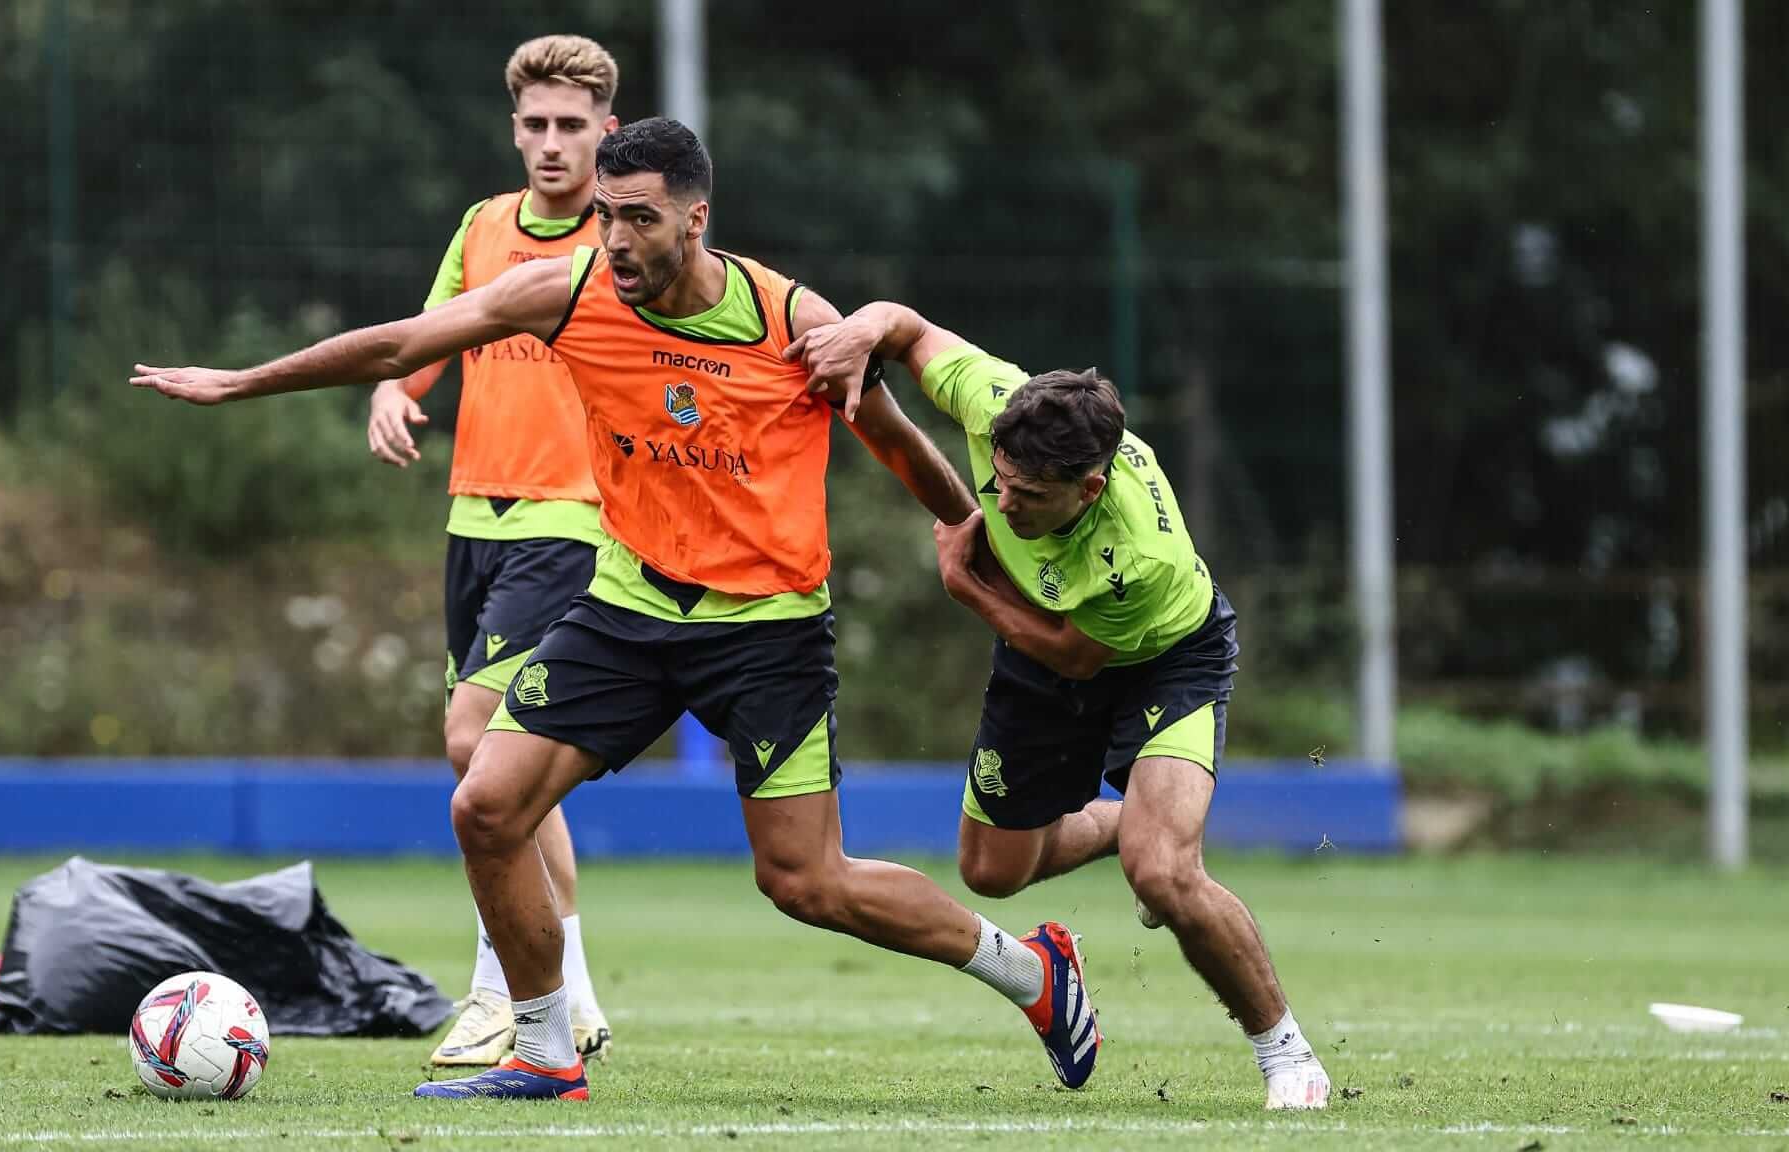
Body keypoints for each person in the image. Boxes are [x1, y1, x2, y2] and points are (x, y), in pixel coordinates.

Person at [132, 118, 1104, 1103]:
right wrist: (244, 382)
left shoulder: (789, 320)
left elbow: (892, 440)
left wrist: (969, 536)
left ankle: (1028, 972)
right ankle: (545, 1050)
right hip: (627, 611)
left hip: (766, 633)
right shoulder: (567, 292)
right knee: (487, 806)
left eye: (638, 218)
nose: (617, 240)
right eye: (604, 216)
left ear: (696, 217)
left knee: (804, 883)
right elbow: (403, 342)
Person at [791, 302, 1335, 1110]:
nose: (1004, 506)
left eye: (1031, 497)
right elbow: (905, 328)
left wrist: (967, 589)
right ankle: (1135, 824)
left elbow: (1076, 655)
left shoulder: (1136, 556)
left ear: (1089, 487)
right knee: (992, 870)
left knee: (1167, 874)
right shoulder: (993, 397)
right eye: (1000, 482)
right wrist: (862, 332)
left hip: (1161, 662)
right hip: (1040, 654)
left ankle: (1286, 1053)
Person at [363, 33, 621, 1073]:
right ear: (513, 128)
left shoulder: (627, 236)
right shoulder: (480, 227)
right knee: (503, 769)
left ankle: (501, 996)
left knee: (476, 741)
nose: (552, 144)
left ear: (607, 129)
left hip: (572, 522)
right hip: (473, 521)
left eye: (572, 126)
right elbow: (426, 338)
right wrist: (392, 391)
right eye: (535, 125)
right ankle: (575, 998)